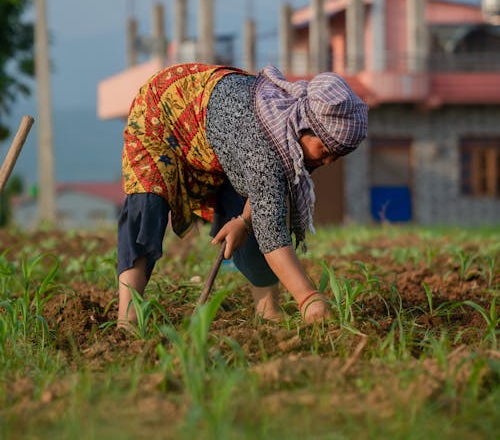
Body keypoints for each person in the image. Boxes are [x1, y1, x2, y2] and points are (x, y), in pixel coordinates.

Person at [117, 62, 368, 326]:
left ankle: (268, 311)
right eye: (325, 151)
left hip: (221, 132)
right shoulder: (264, 141)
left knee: (255, 214)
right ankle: (129, 316)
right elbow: (272, 233)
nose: (327, 162)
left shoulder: (290, 136)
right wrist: (308, 298)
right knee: (147, 206)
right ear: (304, 125)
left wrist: (244, 221)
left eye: (336, 157)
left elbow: (264, 201)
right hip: (163, 114)